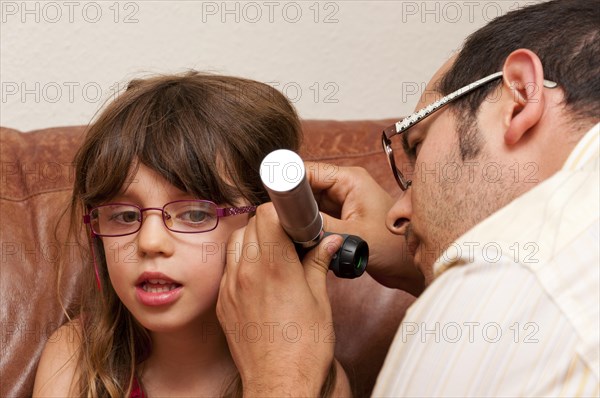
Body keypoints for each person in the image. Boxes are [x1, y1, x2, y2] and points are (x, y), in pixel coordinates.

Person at [217, 0, 599, 396]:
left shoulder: (502, 279)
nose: (397, 215)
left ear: (519, 96)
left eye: (417, 145)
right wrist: (421, 268)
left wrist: (282, 377)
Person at [32, 72, 350, 397]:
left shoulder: (317, 380)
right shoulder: (75, 360)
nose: (150, 242)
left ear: (266, 224)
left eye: (195, 214)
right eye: (125, 216)